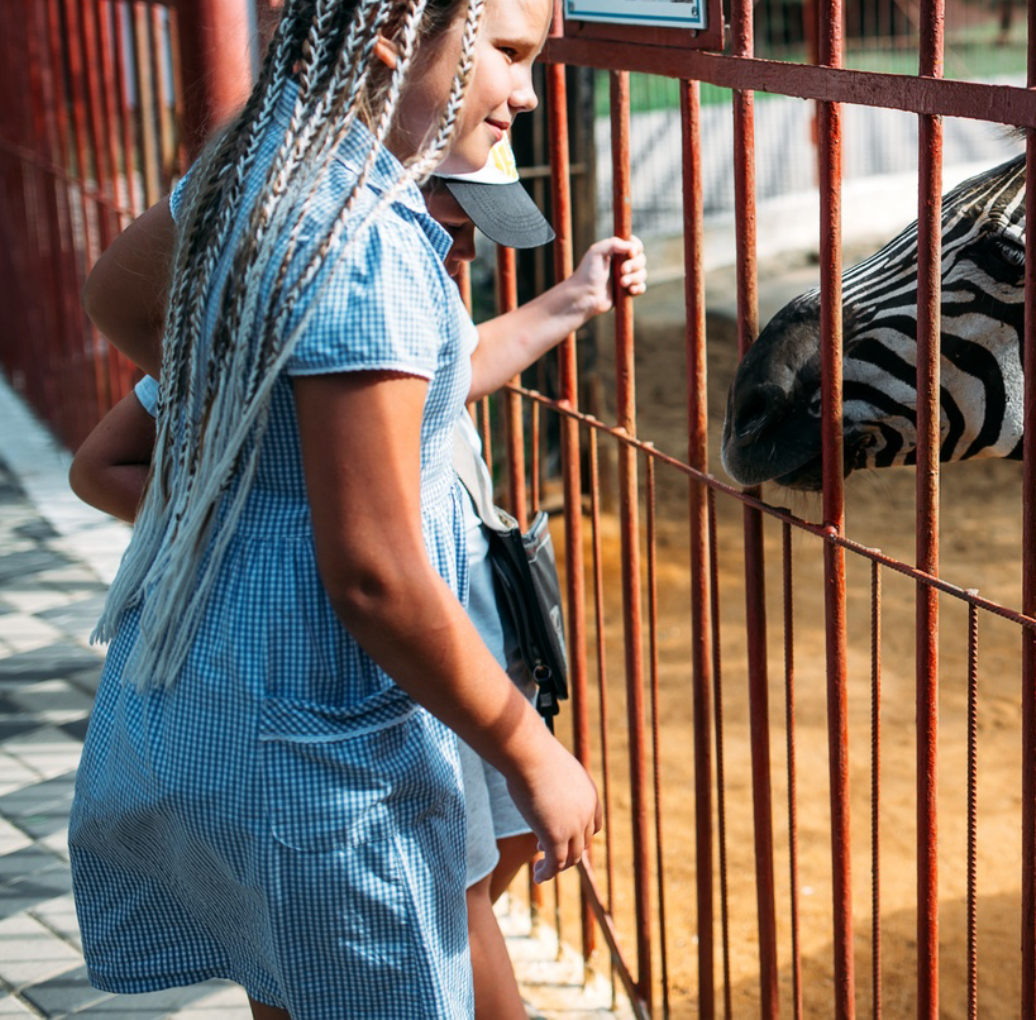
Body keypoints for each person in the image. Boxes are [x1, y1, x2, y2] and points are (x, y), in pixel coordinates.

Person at [67, 0, 598, 1020]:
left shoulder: (260, 176)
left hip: (227, 712)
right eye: (507, 51)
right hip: (325, 767)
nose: (524, 95)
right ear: (401, 27)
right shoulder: (367, 235)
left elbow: (117, 298)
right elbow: (373, 573)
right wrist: (533, 751)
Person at [72, 173, 646, 1020]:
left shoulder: (404, 320)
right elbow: (106, 464)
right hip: (405, 670)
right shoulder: (327, 323)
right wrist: (274, 545)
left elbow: (469, 360)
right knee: (453, 901)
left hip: (446, 654)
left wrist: (574, 299)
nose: (463, 254)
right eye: (448, 223)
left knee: (408, 908)